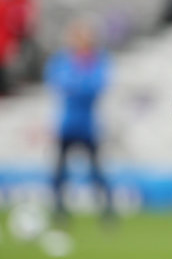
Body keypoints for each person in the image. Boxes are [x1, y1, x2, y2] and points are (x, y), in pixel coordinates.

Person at [45, 18, 113, 221]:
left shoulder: (98, 60)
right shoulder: (63, 59)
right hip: (67, 124)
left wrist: (75, 84)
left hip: (88, 125)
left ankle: (107, 211)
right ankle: (59, 211)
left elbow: (95, 87)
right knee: (59, 171)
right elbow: (58, 82)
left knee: (96, 171)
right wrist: (81, 83)